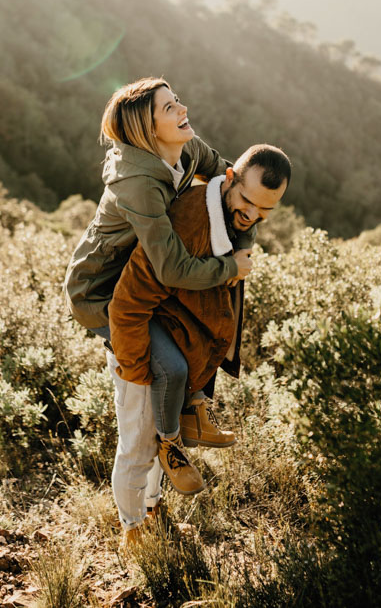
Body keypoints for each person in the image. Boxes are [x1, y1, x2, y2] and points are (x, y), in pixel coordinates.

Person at [63, 78, 254, 541]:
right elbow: (169, 267)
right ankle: (133, 529)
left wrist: (249, 198)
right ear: (149, 131)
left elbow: (224, 172)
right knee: (141, 425)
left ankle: (152, 506)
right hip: (104, 295)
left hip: (145, 287)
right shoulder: (139, 183)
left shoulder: (184, 148)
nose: (183, 108)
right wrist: (228, 267)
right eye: (170, 107)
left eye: (177, 100)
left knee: (176, 375)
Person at [108, 144, 291, 546]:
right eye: (247, 201)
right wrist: (134, 366)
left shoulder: (232, 216)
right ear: (228, 179)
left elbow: (245, 220)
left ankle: (155, 512)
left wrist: (246, 232)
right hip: (133, 333)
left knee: (159, 435)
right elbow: (129, 301)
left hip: (166, 326)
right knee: (139, 444)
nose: (253, 215)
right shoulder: (192, 218)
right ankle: (131, 531)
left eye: (265, 211)